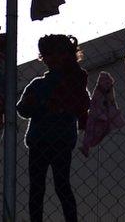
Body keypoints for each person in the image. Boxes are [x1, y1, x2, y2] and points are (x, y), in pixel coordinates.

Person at [16, 34, 90, 222]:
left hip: (57, 141)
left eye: (56, 54)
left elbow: (82, 103)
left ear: (66, 55)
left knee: (56, 185)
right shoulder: (40, 84)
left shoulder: (74, 82)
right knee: (41, 187)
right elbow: (23, 109)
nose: (52, 58)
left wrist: (40, 104)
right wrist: (36, 104)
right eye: (48, 54)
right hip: (44, 141)